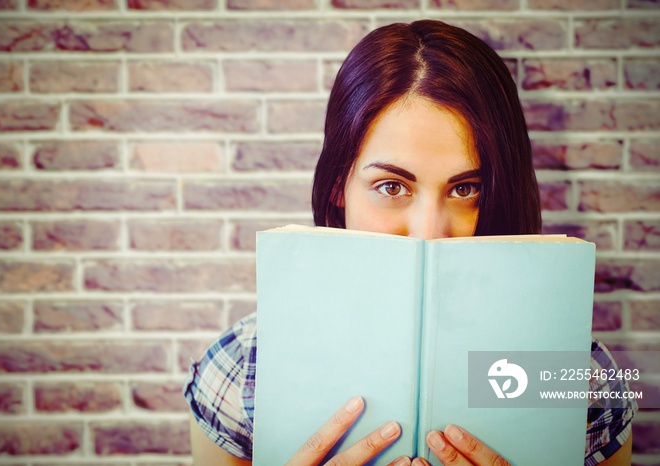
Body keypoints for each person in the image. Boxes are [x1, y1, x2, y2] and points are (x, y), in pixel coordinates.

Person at [184, 19, 637, 466]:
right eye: (391, 186)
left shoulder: (583, 381)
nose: (428, 233)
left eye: (465, 189)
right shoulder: (242, 366)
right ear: (339, 186)